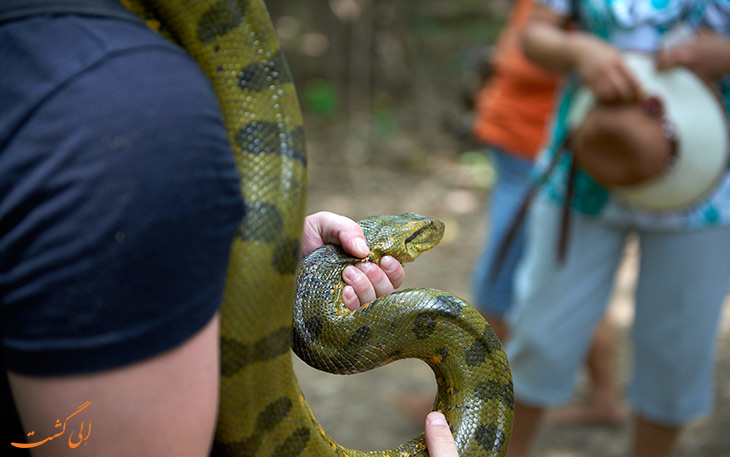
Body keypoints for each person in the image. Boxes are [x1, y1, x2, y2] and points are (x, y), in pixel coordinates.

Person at [0, 2, 458, 456]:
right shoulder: (134, 109)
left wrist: (247, 250)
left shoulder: (38, 55)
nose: (432, 231)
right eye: (420, 231)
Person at [504, 1, 730, 456]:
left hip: (709, 187)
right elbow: (534, 35)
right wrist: (580, 49)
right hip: (586, 162)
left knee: (676, 350)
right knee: (540, 335)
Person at [471, 0, 623, 426]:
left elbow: (537, 61)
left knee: (497, 288)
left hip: (537, 156)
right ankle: (605, 399)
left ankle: (465, 404)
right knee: (566, 285)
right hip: (515, 153)